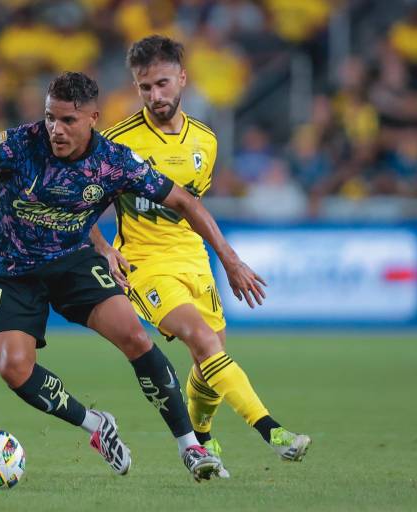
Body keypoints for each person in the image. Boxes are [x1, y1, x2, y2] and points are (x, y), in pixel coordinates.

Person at [0, 72, 265, 481]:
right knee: (13, 368)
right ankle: (95, 425)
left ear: (93, 117)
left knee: (135, 337)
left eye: (68, 120)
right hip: (13, 270)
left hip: (73, 262)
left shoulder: (115, 162)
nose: (56, 129)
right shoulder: (18, 144)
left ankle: (191, 447)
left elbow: (184, 200)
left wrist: (229, 260)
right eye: (50, 117)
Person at [91, 36, 311, 465]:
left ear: (182, 79)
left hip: (194, 261)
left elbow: (192, 206)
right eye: (144, 87)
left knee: (211, 359)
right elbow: (83, 206)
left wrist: (225, 260)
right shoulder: (117, 143)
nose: (155, 96)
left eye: (162, 83)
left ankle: (203, 436)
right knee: (203, 339)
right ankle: (273, 431)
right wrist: (103, 247)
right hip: (146, 265)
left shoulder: (205, 143)